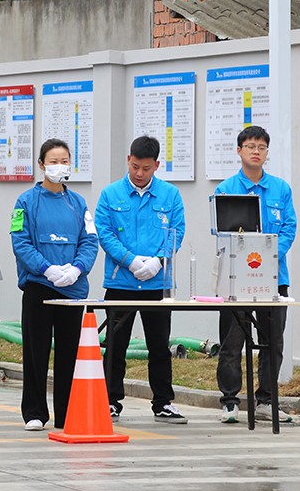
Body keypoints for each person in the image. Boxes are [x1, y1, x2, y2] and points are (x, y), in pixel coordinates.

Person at [95, 135, 187, 424]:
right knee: (116, 345)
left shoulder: (170, 195)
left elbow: (177, 232)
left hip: (157, 284)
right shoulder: (110, 194)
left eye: (146, 168)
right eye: (135, 166)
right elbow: (104, 233)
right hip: (121, 282)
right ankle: (110, 401)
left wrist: (159, 261)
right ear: (128, 160)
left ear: (156, 165)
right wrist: (131, 261)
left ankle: (163, 402)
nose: (139, 173)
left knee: (159, 345)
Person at [10, 139, 99, 432]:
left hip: (71, 289)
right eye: (53, 161)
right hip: (39, 286)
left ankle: (67, 412)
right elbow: (20, 242)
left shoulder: (78, 203)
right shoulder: (26, 202)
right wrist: (46, 268)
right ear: (41, 165)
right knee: (36, 351)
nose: (59, 167)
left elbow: (90, 241)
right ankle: (34, 412)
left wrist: (77, 269)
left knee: (69, 352)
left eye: (64, 161)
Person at [214, 126, 297, 424]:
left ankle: (266, 400)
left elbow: (289, 228)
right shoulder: (226, 189)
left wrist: (268, 257)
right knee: (232, 341)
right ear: (239, 151)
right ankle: (229, 401)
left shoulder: (280, 189)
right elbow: (221, 233)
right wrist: (251, 258)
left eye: (261, 147)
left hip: (274, 277)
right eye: (250, 146)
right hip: (236, 278)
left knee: (273, 342)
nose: (256, 152)